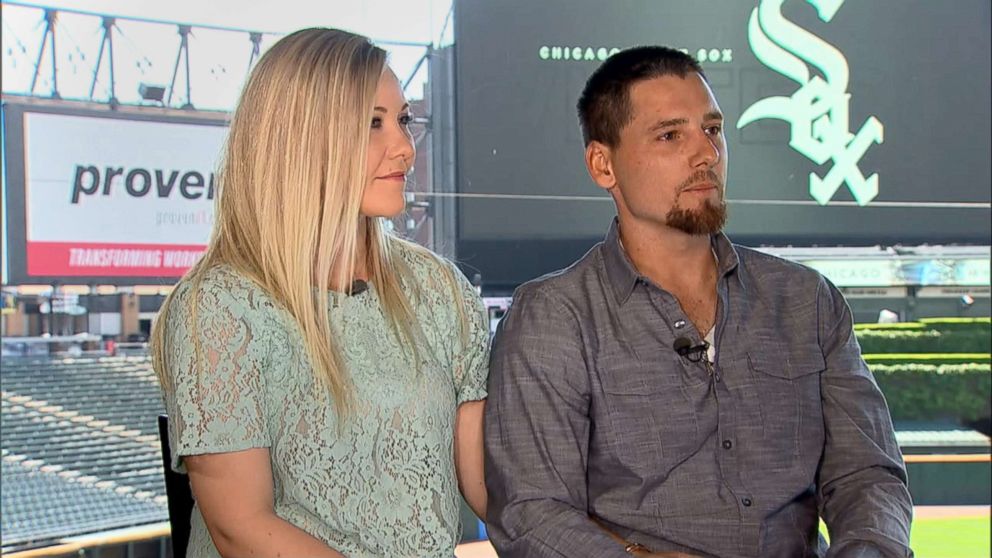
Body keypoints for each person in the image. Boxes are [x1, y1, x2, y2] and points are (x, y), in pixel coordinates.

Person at [484, 46, 913, 557]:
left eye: (712, 129)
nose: (706, 154)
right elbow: (532, 513)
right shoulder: (554, 316)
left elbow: (868, 475)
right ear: (603, 164)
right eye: (671, 135)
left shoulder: (807, 302)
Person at [150, 28, 490, 558]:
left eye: (402, 120)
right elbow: (242, 528)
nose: (404, 146)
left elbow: (488, 485)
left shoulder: (441, 290)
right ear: (299, 138)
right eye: (372, 123)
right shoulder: (219, 306)